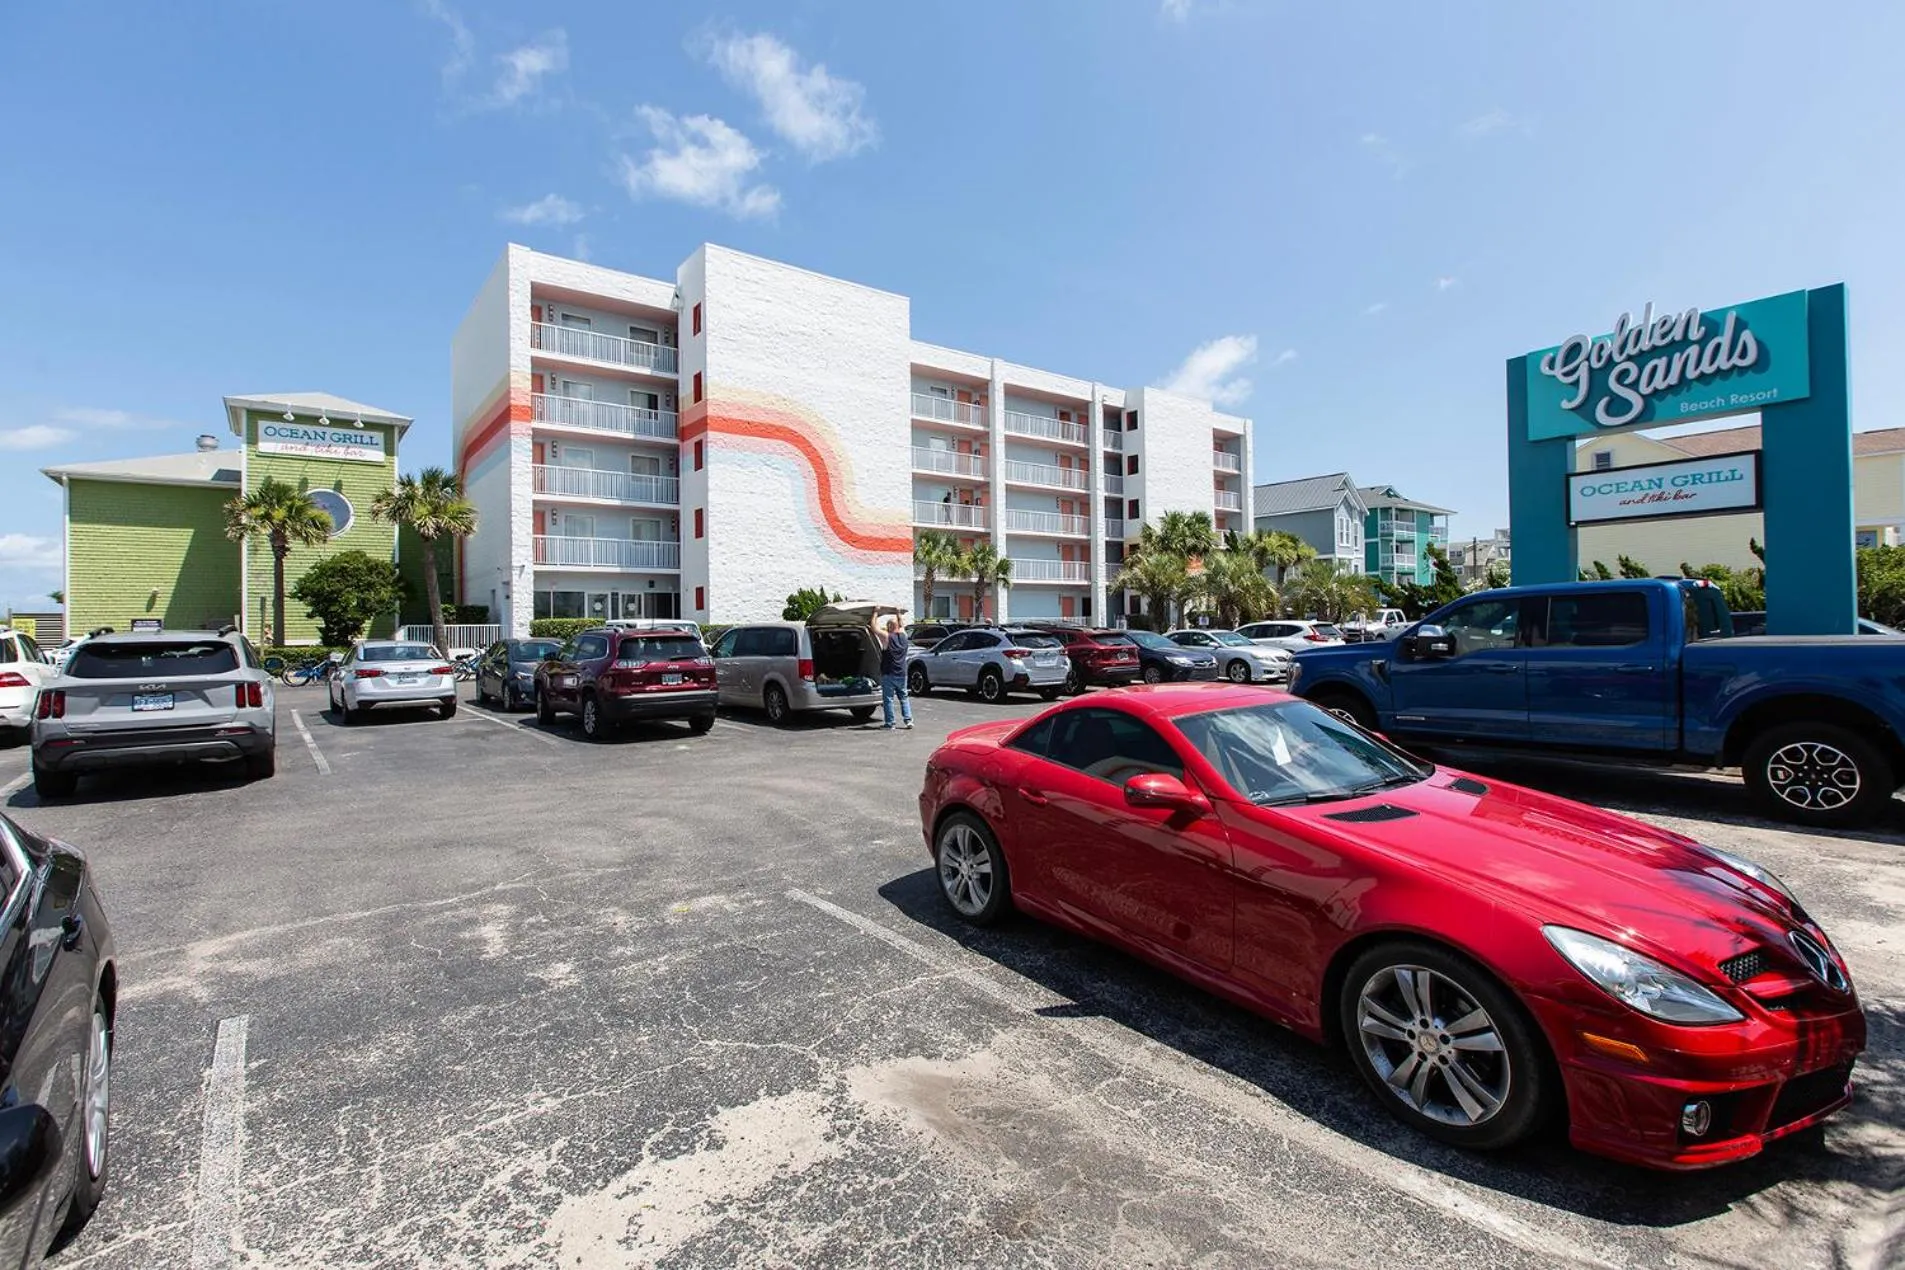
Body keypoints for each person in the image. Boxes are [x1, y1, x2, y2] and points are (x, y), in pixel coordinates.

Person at [874, 615, 913, 730]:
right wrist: (898, 613)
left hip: (889, 673)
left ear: (890, 626)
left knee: (888, 699)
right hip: (902, 673)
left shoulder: (887, 637)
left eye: (887, 625)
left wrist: (875, 613)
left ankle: (890, 723)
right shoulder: (904, 636)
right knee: (904, 697)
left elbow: (874, 628)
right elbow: (902, 625)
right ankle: (908, 721)